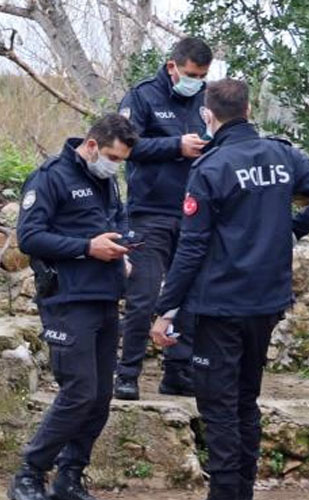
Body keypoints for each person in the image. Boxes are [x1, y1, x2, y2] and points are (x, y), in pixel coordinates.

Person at [152, 79, 309, 500]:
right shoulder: (283, 156)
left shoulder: (211, 168)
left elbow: (191, 247)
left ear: (209, 115)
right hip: (266, 302)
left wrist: (166, 309)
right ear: (249, 108)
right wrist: (293, 230)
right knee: (245, 400)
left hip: (221, 304)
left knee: (219, 404)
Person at [7, 113, 139, 500]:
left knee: (100, 396)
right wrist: (87, 247)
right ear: (93, 145)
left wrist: (123, 246)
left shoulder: (106, 180)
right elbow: (29, 238)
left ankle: (69, 478)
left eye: (122, 161)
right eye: (113, 157)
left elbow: (117, 220)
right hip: (68, 299)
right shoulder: (49, 177)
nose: (116, 165)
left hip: (105, 295)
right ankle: (29, 473)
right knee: (79, 390)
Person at [114, 36, 214, 401]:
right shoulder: (142, 96)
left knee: (189, 295)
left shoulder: (205, 99)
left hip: (194, 214)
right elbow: (125, 146)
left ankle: (178, 371)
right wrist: (176, 146)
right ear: (172, 66)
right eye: (191, 74)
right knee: (143, 295)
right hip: (149, 213)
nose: (196, 81)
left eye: (202, 76)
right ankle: (127, 374)